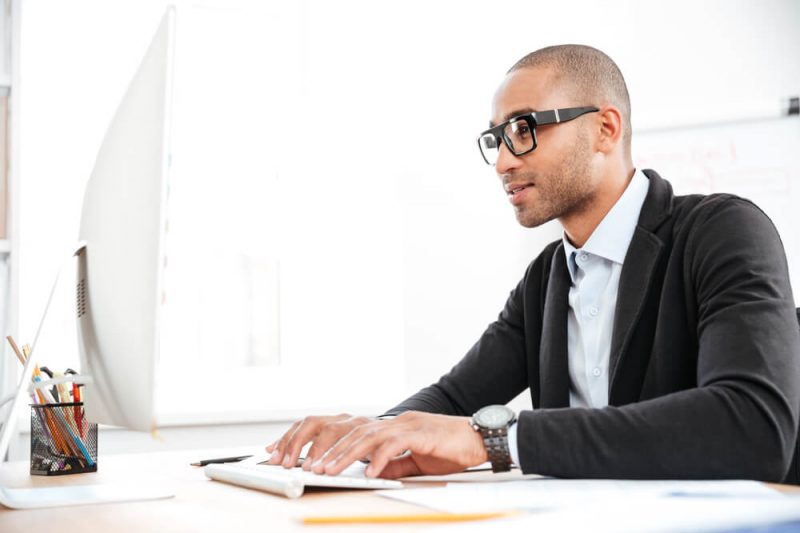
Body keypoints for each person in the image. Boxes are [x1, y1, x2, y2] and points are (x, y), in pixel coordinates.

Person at [266, 44, 800, 483]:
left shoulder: (723, 232)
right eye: (496, 139)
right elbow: (456, 398)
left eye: (524, 129)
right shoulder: (547, 276)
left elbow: (752, 426)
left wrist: (498, 440)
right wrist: (372, 432)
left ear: (605, 130)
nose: (502, 160)